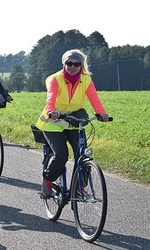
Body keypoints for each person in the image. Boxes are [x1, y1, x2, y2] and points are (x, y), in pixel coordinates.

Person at [35, 49, 110, 197]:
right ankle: (47, 180)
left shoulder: (86, 80)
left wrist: (101, 113)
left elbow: (94, 98)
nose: (72, 66)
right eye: (69, 63)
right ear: (64, 63)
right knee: (61, 155)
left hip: (73, 121)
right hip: (53, 122)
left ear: (81, 66)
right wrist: (52, 110)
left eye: (76, 64)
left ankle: (79, 186)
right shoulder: (56, 79)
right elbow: (50, 97)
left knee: (82, 155)